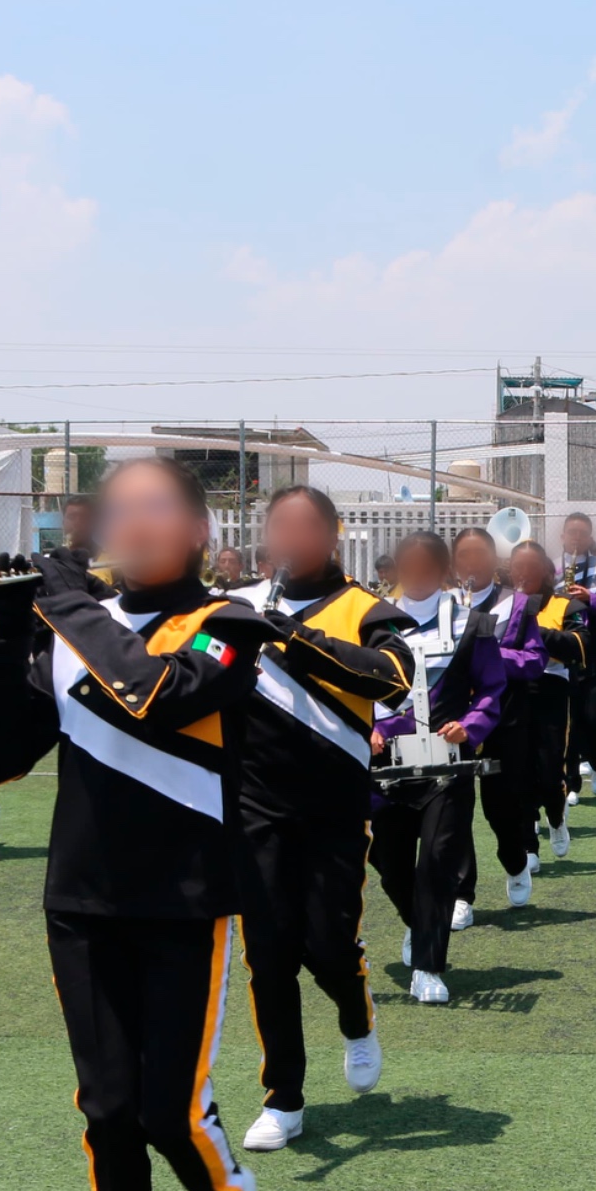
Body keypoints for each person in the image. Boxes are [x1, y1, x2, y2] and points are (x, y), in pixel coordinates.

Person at [0, 456, 273, 1191]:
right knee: (108, 1112)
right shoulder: (71, 627)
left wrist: (63, 608)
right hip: (80, 900)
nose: (132, 524)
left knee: (170, 1110)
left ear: (200, 531)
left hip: (184, 899)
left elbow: (158, 691)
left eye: (156, 508)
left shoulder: (229, 625)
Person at [228, 487, 415, 1153]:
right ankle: (284, 1096)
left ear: (332, 535)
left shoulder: (365, 608)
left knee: (329, 944)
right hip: (252, 805)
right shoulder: (236, 605)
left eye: (306, 527)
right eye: (280, 526)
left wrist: (292, 636)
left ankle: (357, 1016)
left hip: (333, 805)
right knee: (269, 951)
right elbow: (193, 671)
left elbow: (392, 678)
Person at [372, 531, 509, 1003]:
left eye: (425, 566)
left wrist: (469, 726)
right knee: (389, 865)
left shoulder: (473, 624)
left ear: (443, 570)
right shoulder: (372, 620)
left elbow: (492, 687)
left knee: (437, 861)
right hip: (385, 767)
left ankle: (428, 966)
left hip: (446, 764)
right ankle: (419, 922)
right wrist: (365, 727)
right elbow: (352, 685)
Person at [453, 527, 545, 919]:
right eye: (464, 555)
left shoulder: (517, 604)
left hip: (504, 719)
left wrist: (490, 656)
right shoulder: (442, 604)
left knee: (501, 808)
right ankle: (461, 894)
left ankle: (515, 859)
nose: (472, 563)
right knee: (453, 810)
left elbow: (536, 660)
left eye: (480, 555)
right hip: (452, 722)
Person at [510, 541, 589, 860]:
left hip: (552, 691)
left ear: (545, 571)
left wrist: (535, 632)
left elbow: (581, 645)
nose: (523, 573)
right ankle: (528, 845)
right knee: (518, 770)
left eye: (530, 567)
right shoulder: (503, 605)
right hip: (512, 691)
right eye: (517, 567)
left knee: (549, 770)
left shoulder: (565, 605)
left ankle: (556, 818)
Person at [557, 513, 596, 796]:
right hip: (561, 653)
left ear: (590, 537)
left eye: (582, 533)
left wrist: (590, 598)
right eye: (571, 532)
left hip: (595, 654)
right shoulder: (550, 568)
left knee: (594, 718)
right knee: (567, 722)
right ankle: (571, 783)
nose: (576, 538)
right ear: (562, 536)